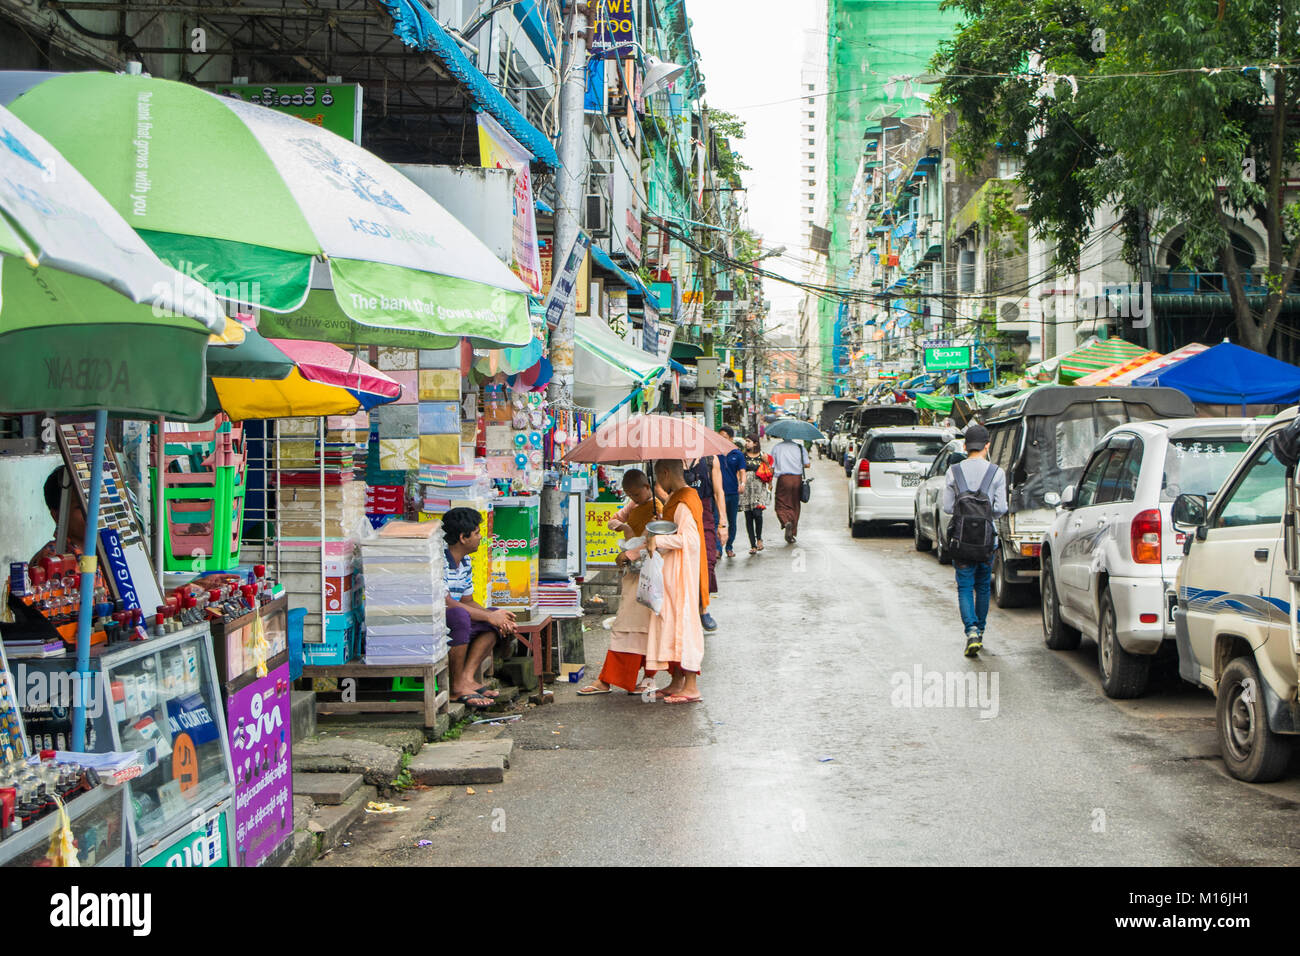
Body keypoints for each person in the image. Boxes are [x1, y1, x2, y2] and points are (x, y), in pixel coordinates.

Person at [578, 469, 659, 696]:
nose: (634, 498)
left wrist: (631, 553)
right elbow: (617, 518)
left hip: (647, 572)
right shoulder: (634, 506)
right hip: (634, 573)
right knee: (635, 627)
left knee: (629, 626)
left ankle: (621, 679)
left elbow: (656, 541)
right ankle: (638, 678)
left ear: (647, 486)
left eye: (636, 494)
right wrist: (623, 526)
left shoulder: (659, 510)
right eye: (629, 495)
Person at [941, 423, 1008, 658]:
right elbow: (1000, 509)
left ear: (966, 446)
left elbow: (947, 507)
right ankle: (979, 631)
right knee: (982, 587)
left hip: (961, 540)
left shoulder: (953, 471)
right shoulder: (997, 472)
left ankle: (970, 631)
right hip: (987, 542)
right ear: (987, 445)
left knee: (965, 586)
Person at [443, 507, 516, 708]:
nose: (480, 537)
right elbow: (446, 602)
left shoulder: (465, 561)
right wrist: (488, 617)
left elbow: (468, 601)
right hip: (439, 622)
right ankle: (456, 688)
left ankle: (467, 678)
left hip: (458, 617)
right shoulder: (440, 560)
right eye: (477, 533)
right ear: (463, 537)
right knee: (459, 615)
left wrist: (495, 616)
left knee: (492, 617)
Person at [644, 459, 705, 704]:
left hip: (682, 575)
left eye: (659, 477)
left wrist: (657, 541)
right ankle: (678, 681)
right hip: (672, 574)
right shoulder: (677, 500)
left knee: (684, 626)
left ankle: (691, 686)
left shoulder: (685, 502)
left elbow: (689, 541)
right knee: (672, 625)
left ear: (666, 474)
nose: (658, 482)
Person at [682, 454, 724, 631]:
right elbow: (661, 487)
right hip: (680, 513)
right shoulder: (672, 457)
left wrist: (723, 523)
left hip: (704, 515)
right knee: (682, 563)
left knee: (707, 562)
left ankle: (703, 609)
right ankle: (685, 610)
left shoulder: (710, 459)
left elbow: (718, 491)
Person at [30, 467, 89, 568]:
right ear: (58, 516)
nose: (92, 514)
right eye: (80, 507)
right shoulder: (50, 559)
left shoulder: (109, 549)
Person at [771, 435, 810, 545]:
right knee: (795, 505)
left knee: (780, 503)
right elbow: (807, 464)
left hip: (783, 479)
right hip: (797, 479)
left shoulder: (777, 447)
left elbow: (772, 465)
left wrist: (769, 480)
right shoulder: (800, 447)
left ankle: (786, 521)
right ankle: (792, 532)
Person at [716, 425, 747, 559]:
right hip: (718, 493)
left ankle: (729, 547)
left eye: (724, 438)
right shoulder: (715, 453)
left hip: (732, 493)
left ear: (731, 439)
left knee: (732, 522)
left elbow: (742, 471)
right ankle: (718, 549)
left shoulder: (737, 454)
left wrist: (742, 483)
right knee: (717, 521)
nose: (721, 440)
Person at [739, 435, 771, 553]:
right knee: (748, 516)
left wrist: (767, 463)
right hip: (746, 488)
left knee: (758, 514)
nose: (747, 443)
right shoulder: (742, 456)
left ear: (755, 443)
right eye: (746, 441)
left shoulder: (763, 455)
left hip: (759, 488)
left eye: (749, 441)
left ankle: (759, 539)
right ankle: (752, 545)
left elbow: (770, 471)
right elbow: (739, 471)